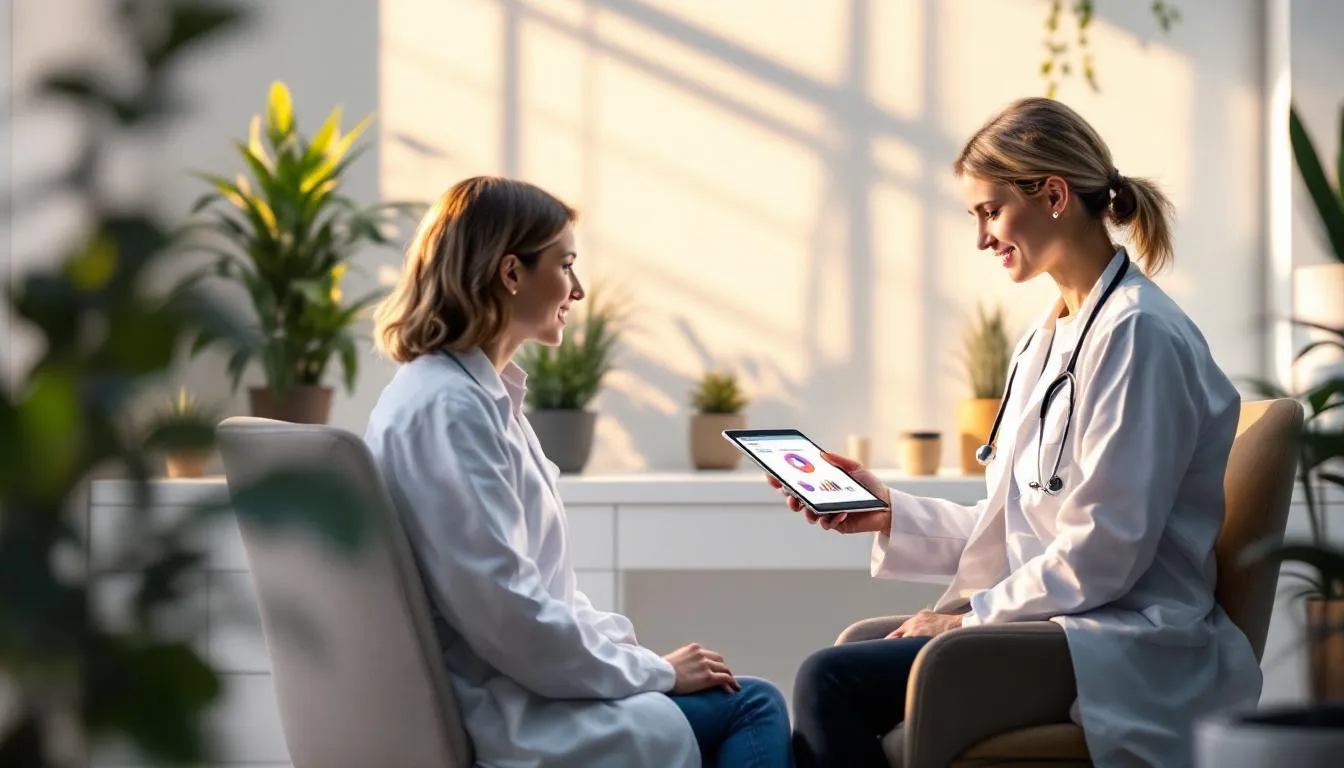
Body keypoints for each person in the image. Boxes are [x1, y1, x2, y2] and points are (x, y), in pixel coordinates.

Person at [778, 97, 1259, 768]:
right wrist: (889, 512)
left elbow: (1105, 551)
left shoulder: (1139, 335)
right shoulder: (1047, 335)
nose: (982, 238)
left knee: (832, 681)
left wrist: (970, 620)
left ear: (1055, 194)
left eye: (990, 211)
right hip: (1064, 623)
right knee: (846, 663)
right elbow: (1020, 524)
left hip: (1120, 637)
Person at [364, 176, 793, 768]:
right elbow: (510, 616)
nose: (580, 290)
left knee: (738, 696)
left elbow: (536, 597)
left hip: (526, 687)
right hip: (511, 710)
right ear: (511, 273)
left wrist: (637, 660)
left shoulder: (471, 399)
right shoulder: (451, 408)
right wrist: (656, 671)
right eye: (565, 266)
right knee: (753, 706)